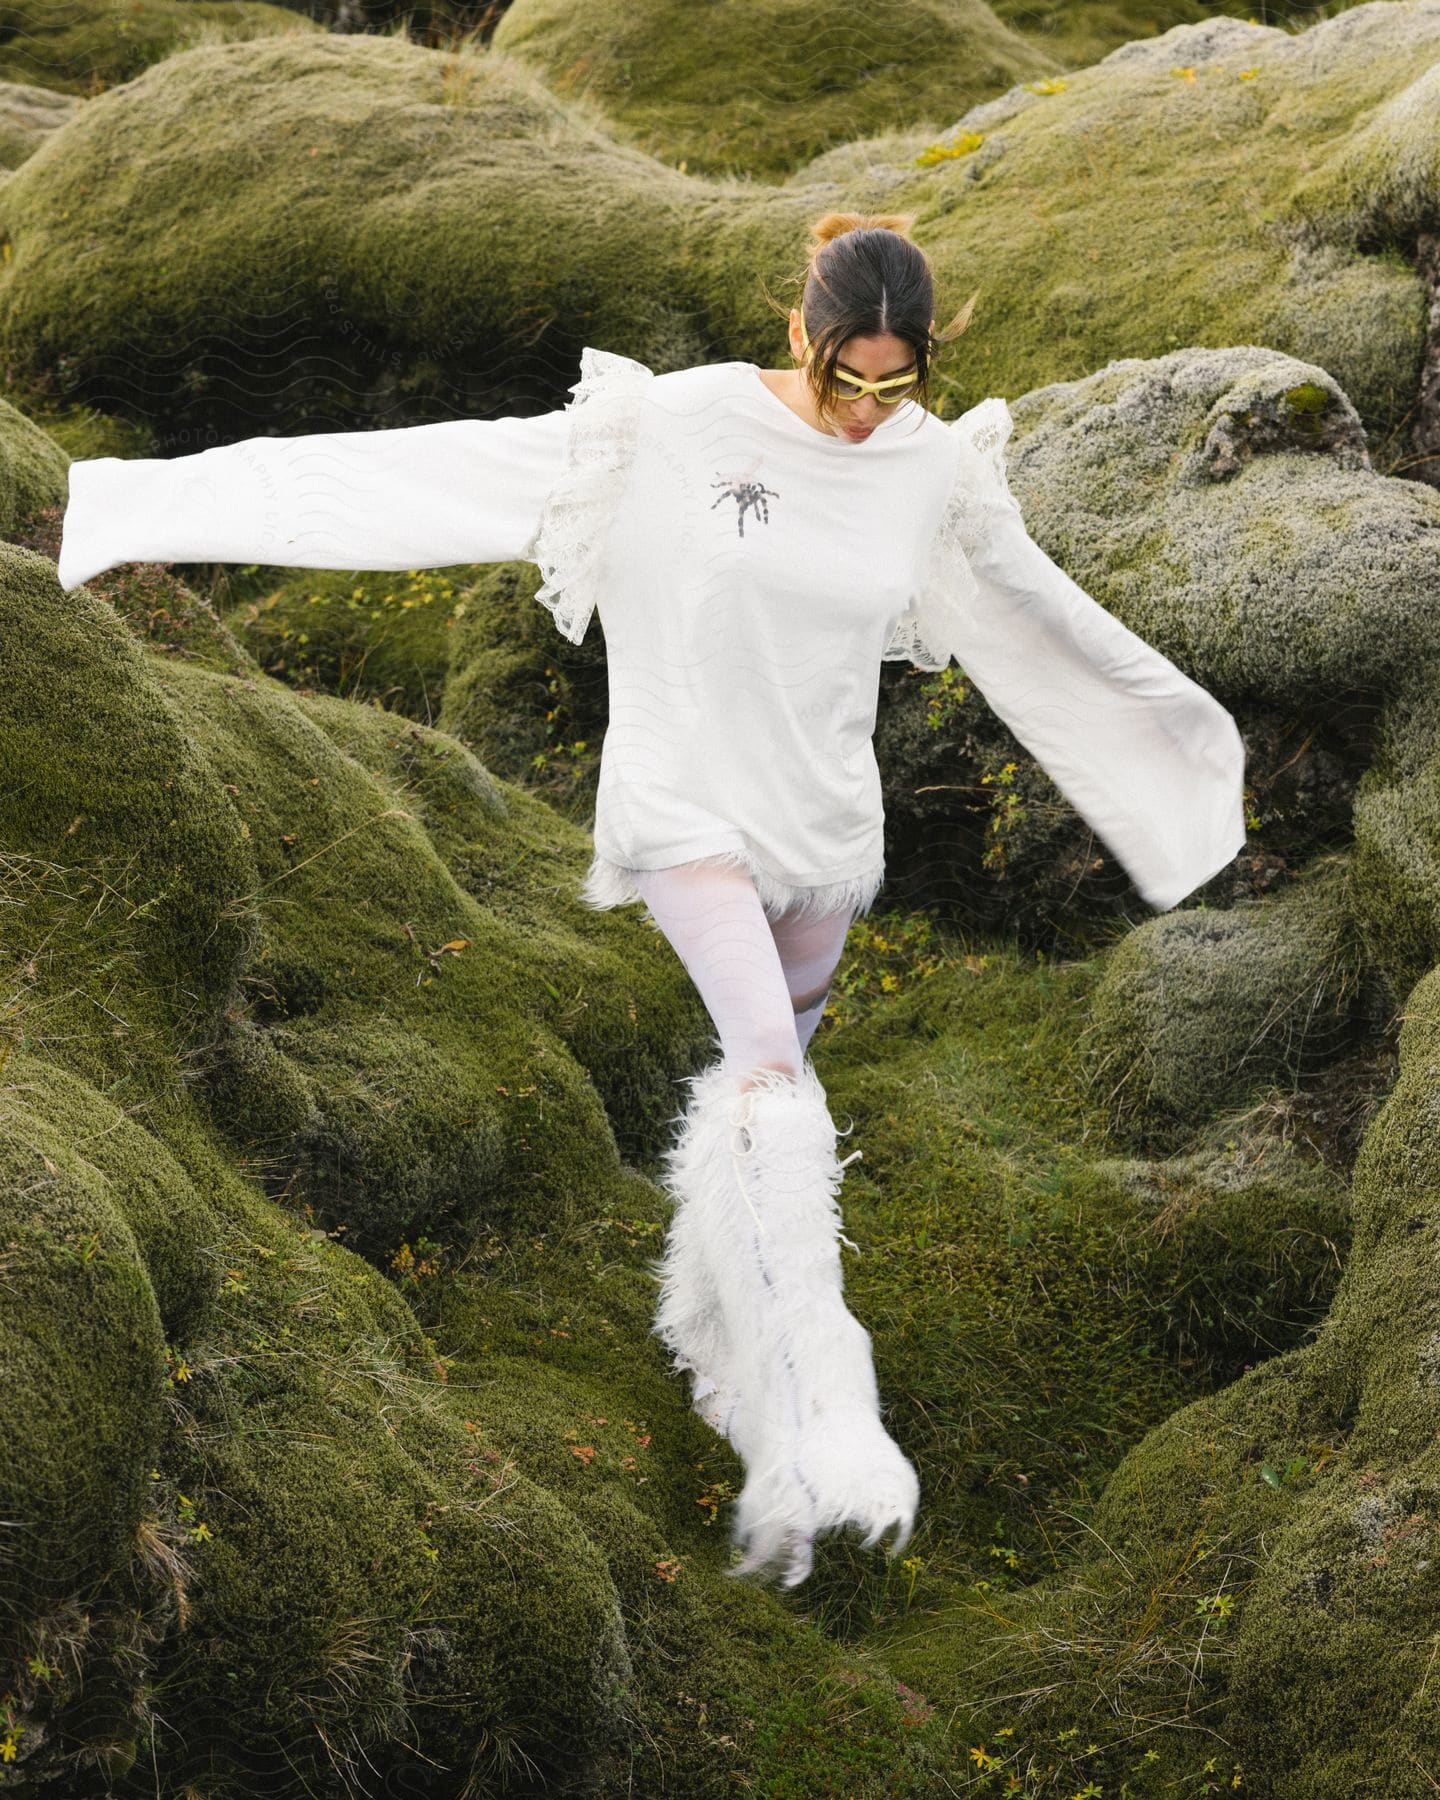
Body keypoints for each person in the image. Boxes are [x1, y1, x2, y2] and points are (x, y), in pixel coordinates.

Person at [56, 210, 1247, 1590]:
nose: (861, 412)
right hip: (687, 800)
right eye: (839, 379)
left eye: (892, 385)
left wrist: (1179, 751)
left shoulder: (932, 471)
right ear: (796, 331)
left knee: (773, 1086)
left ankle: (717, 1348)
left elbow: (1041, 618)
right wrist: (142, 505)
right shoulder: (675, 426)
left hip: (823, 823)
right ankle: (822, 1424)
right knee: (766, 1082)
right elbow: (437, 475)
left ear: (929, 360)